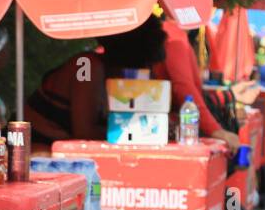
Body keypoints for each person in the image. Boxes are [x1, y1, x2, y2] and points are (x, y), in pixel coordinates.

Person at [24, 14, 240, 151]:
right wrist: (141, 131)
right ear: (132, 56)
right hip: (36, 150)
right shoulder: (87, 66)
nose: (144, 73)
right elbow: (84, 131)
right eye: (145, 64)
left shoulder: (108, 75)